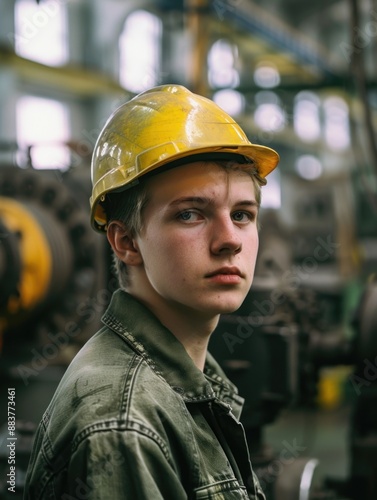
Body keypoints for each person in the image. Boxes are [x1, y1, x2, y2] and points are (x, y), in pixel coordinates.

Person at [24, 84, 279, 499]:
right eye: (190, 214)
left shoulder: (186, 379)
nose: (230, 239)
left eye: (242, 214)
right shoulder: (122, 426)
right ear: (125, 242)